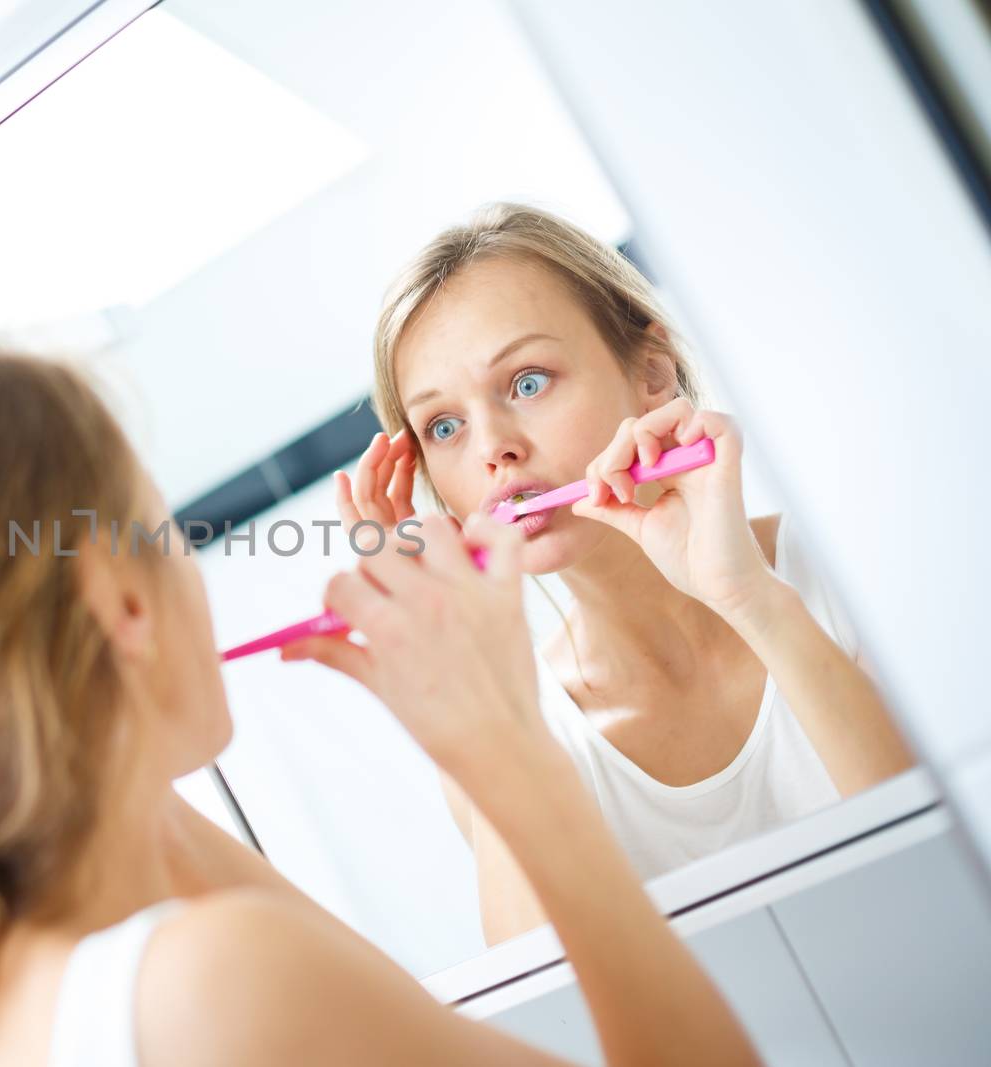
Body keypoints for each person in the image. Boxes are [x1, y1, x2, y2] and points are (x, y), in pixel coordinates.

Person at [0, 341, 761, 1066]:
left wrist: (97, 744)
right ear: (121, 598)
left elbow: (383, 1021)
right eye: (163, 529)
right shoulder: (209, 982)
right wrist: (508, 745)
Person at [292, 202, 915, 944]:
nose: (494, 449)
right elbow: (565, 1019)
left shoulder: (861, 566)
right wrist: (478, 691)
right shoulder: (509, 735)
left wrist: (751, 599)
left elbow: (942, 854)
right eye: (445, 427)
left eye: (526, 382)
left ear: (651, 371)